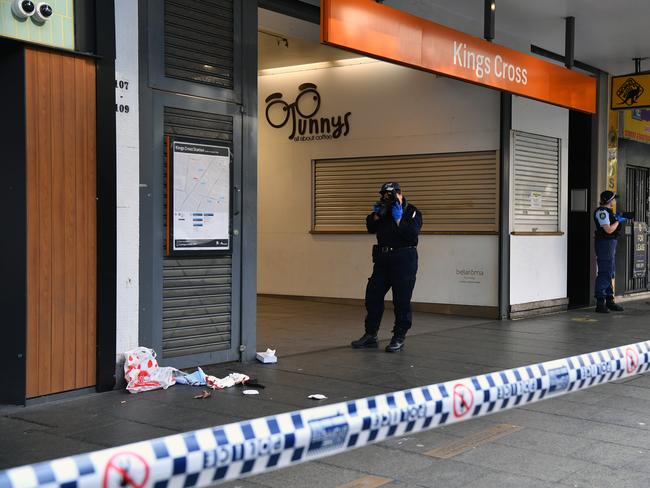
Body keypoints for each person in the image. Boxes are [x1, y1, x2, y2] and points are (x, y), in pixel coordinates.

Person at [351, 182, 423, 352]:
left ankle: (399, 336)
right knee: (373, 296)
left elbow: (412, 236)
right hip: (383, 260)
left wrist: (398, 219)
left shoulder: (411, 211)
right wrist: (376, 215)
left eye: (392, 194)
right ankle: (371, 334)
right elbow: (370, 227)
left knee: (401, 300)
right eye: (385, 194)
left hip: (404, 259)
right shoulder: (383, 211)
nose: (388, 197)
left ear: (400, 193)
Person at [593, 190, 628, 313]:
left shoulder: (608, 212)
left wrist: (617, 218)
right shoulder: (602, 212)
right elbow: (608, 230)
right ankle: (600, 302)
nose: (615, 201)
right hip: (605, 245)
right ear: (609, 201)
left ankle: (609, 300)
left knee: (610, 272)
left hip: (609, 244)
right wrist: (618, 220)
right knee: (605, 273)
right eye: (613, 199)